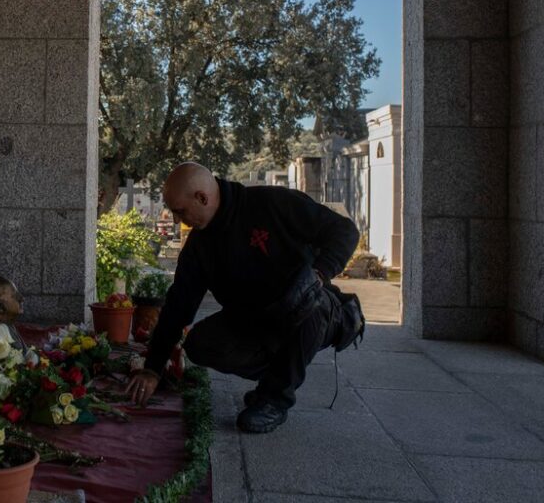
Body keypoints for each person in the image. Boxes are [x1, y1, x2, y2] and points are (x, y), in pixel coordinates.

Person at [126, 162, 365, 433]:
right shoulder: (199, 247)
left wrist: (320, 273)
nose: (178, 220)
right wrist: (153, 368)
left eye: (180, 211)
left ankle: (275, 399)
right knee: (200, 344)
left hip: (309, 310)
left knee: (313, 301)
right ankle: (277, 376)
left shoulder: (272, 203)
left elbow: (344, 231)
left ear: (202, 198)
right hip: (257, 321)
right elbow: (178, 306)